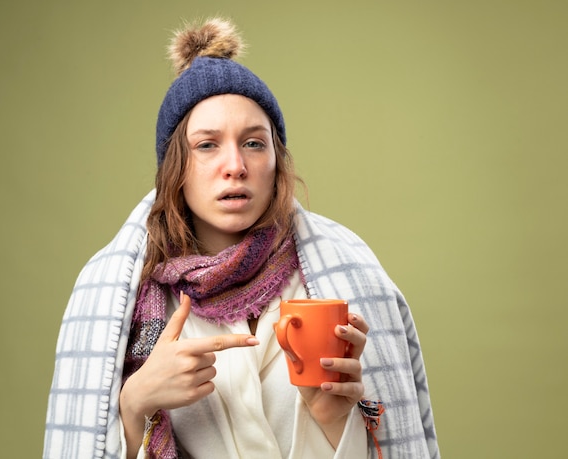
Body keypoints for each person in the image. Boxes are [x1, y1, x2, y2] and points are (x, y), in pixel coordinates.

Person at [43, 17, 440, 459]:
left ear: (276, 160)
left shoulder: (340, 281)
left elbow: (390, 431)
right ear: (175, 168)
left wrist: (335, 420)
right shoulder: (136, 305)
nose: (235, 165)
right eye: (207, 145)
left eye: (254, 143)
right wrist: (135, 405)